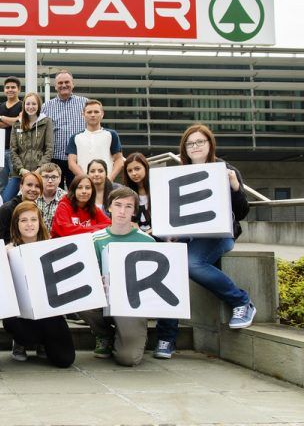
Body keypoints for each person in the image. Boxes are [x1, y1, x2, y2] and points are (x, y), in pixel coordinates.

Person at [154, 124, 254, 359]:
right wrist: (170, 232)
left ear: (210, 144)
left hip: (217, 236)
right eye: (190, 143)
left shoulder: (226, 170)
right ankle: (166, 338)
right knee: (168, 268)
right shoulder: (178, 174)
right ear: (184, 149)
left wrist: (235, 187)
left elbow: (241, 212)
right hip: (188, 236)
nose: (195, 147)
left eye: (200, 142)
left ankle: (242, 301)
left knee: (192, 263)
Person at [78, 187, 153, 366]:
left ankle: (131, 334)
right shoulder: (96, 239)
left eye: (128, 206)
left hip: (131, 305)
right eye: (117, 205)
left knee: (128, 359)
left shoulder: (147, 241)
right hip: (103, 299)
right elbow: (87, 274)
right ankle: (104, 334)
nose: (122, 211)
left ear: (134, 211)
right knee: (80, 296)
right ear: (109, 207)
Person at [3, 201, 75, 367]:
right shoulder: (9, 251)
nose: (29, 224)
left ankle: (44, 342)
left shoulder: (51, 247)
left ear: (40, 222)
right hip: (21, 313)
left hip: (49, 310)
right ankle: (21, 342)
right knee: (12, 322)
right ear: (16, 224)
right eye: (24, 220)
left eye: (33, 220)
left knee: (64, 360)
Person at [2, 91, 54, 203]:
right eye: (28, 104)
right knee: (6, 200)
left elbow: (49, 149)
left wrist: (39, 169)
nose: (31, 107)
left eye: (34, 104)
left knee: (38, 202)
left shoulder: (46, 122)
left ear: (39, 106)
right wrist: (21, 169)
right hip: (20, 173)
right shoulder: (17, 124)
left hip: (39, 173)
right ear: (24, 105)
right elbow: (13, 150)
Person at [41, 70, 87, 189]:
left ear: (73, 84)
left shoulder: (85, 103)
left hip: (78, 158)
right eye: (60, 83)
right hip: (55, 158)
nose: (63, 85)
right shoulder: (46, 107)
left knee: (77, 193)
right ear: (55, 86)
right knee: (55, 193)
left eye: (67, 82)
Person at [67, 99, 124, 183]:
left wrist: (110, 178)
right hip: (85, 186)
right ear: (83, 115)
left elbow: (119, 160)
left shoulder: (111, 135)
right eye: (89, 112)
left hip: (106, 183)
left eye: (96, 112)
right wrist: (85, 179)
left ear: (102, 114)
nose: (93, 115)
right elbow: (71, 163)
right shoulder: (75, 137)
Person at [50, 174, 111, 238]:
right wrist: (95, 230)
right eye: (79, 187)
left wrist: (85, 229)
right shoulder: (63, 206)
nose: (84, 191)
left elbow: (109, 225)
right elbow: (65, 231)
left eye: (87, 188)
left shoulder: (93, 208)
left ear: (92, 191)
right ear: (73, 190)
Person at [0, 171, 44, 245]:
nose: (33, 189)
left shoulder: (37, 210)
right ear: (21, 186)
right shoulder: (7, 209)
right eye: (29, 185)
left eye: (37, 186)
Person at [0, 76, 23, 194]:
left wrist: (2, 118)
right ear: (4, 90)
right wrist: (12, 122)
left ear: (19, 89)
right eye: (7, 87)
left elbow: (21, 122)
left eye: (13, 87)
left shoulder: (23, 105)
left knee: (17, 181)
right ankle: (0, 210)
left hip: (16, 150)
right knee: (0, 183)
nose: (10, 90)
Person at [122, 152, 152, 233]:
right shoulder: (126, 193)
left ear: (145, 167)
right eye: (130, 171)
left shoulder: (158, 188)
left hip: (158, 236)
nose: (134, 173)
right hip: (135, 238)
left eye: (137, 169)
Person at [35, 162, 66, 231]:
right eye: (46, 177)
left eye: (54, 177)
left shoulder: (66, 198)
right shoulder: (32, 194)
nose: (50, 181)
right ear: (39, 178)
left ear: (60, 179)